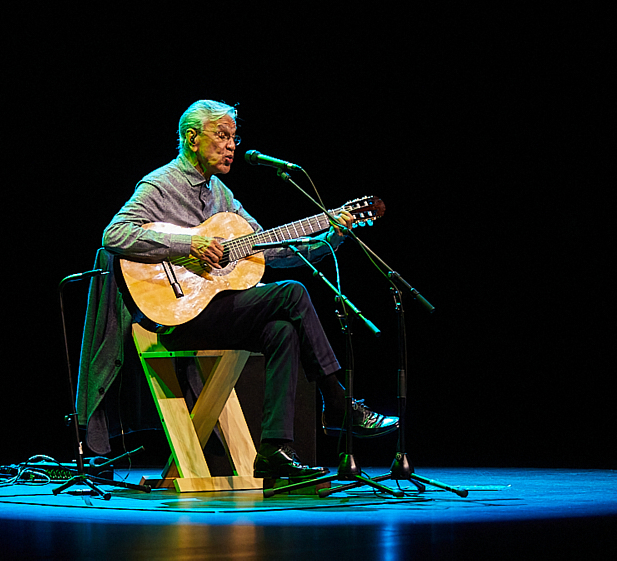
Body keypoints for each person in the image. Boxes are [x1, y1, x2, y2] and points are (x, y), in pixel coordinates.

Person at [100, 99, 398, 481]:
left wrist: (330, 237)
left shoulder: (222, 195)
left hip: (218, 310)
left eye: (234, 139)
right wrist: (187, 246)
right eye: (222, 136)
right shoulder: (161, 184)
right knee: (291, 294)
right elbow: (115, 234)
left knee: (283, 330)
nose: (231, 146)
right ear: (192, 138)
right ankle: (338, 402)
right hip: (175, 313)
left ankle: (275, 448)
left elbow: (271, 248)